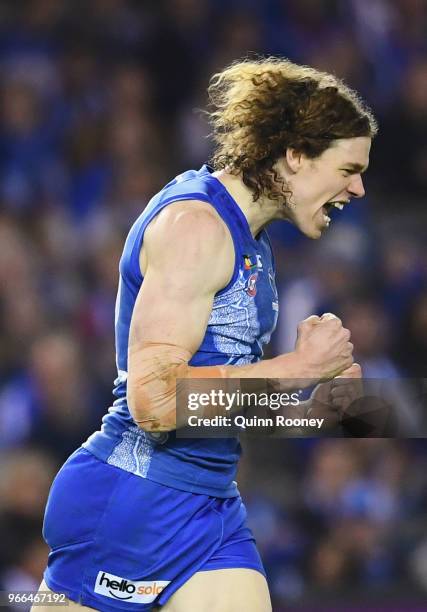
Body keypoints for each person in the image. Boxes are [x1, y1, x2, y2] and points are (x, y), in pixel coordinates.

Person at [34, 57, 377, 612]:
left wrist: (313, 409)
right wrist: (297, 368)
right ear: (295, 156)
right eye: (348, 168)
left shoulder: (254, 245)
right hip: (133, 505)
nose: (359, 188)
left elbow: (218, 406)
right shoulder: (196, 227)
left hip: (208, 507)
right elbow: (156, 403)